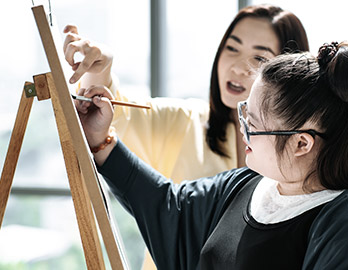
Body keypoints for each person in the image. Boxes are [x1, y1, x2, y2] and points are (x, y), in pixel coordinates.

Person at [75, 41, 348, 269]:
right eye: (245, 113)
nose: (242, 128)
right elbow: (169, 207)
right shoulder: (248, 185)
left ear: (302, 143)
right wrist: (101, 140)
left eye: (254, 124)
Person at [64, 5, 309, 268]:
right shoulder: (186, 120)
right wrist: (99, 67)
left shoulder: (300, 154)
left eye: (259, 59)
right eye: (232, 48)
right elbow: (111, 113)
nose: (238, 67)